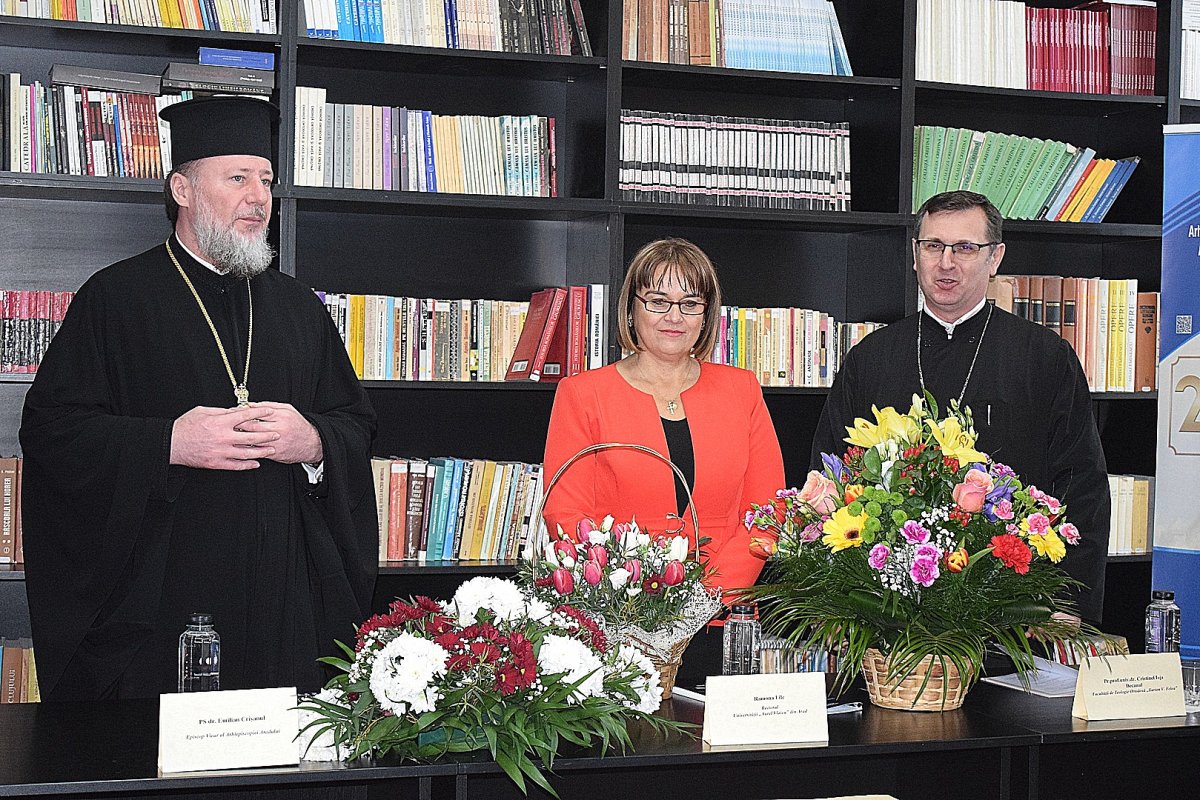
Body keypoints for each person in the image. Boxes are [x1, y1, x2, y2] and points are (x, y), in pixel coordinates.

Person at [19, 96, 379, 701]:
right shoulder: (115, 299)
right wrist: (167, 443)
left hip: (281, 608)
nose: (259, 196)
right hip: (159, 610)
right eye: (237, 178)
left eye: (265, 179)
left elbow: (355, 424)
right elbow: (52, 432)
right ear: (182, 189)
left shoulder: (296, 308)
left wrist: (313, 441)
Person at [810, 190, 1110, 623]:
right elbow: (829, 477)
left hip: (1013, 609)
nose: (946, 263)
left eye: (966, 248)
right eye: (933, 246)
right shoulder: (871, 357)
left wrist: (1062, 604)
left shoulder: (1044, 356)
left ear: (995, 258)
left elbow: (1083, 487)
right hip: (886, 610)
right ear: (915, 256)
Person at [542, 238, 785, 598]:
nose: (674, 317)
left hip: (723, 607)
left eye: (690, 304)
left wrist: (706, 598)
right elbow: (566, 514)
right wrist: (631, 596)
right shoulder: (582, 394)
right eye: (658, 302)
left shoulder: (742, 390)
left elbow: (767, 511)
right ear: (631, 309)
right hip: (622, 609)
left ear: (705, 316)